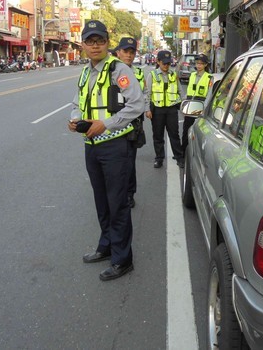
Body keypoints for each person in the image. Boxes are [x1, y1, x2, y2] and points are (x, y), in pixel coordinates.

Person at [68, 20, 145, 282]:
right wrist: (74, 118)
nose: (95, 45)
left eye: (99, 40)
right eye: (90, 41)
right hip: (91, 146)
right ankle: (106, 246)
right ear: (83, 45)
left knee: (117, 204)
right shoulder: (84, 73)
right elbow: (78, 102)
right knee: (101, 202)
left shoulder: (118, 70)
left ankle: (123, 259)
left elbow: (136, 104)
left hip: (115, 146)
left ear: (107, 43)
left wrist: (106, 124)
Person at [113, 37, 145, 208]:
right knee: (114, 163)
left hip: (132, 124)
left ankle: (129, 194)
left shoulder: (139, 73)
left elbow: (144, 94)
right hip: (113, 124)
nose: (129, 55)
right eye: (126, 51)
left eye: (132, 52)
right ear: (118, 52)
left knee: (129, 162)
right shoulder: (110, 71)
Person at [144, 50, 184, 169]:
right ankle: (159, 158)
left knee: (174, 135)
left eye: (168, 63)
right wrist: (147, 109)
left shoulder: (173, 75)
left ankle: (179, 157)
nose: (166, 65)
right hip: (157, 110)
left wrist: (184, 106)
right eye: (164, 63)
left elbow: (180, 91)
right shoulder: (152, 75)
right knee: (158, 136)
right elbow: (147, 94)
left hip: (171, 109)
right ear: (158, 62)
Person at [181, 53, 212, 153]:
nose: (199, 65)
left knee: (198, 133)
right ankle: (183, 152)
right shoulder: (192, 75)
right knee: (186, 131)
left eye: (201, 64)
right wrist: (183, 101)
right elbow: (188, 91)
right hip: (190, 107)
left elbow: (209, 95)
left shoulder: (209, 77)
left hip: (200, 108)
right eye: (197, 63)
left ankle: (196, 153)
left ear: (206, 65)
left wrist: (204, 108)